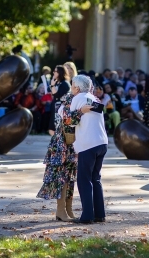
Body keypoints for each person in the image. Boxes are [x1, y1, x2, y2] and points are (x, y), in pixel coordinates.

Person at [37, 67, 78, 221]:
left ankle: (67, 209)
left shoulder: (70, 91)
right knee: (63, 175)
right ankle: (61, 211)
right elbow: (67, 117)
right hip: (62, 140)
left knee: (70, 176)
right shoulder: (70, 98)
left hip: (69, 141)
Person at [67, 75, 108, 224]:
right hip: (101, 142)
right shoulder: (94, 98)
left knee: (84, 180)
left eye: (72, 86)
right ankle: (99, 214)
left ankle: (87, 216)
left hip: (88, 144)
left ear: (77, 88)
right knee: (95, 179)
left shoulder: (77, 98)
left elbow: (70, 122)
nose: (71, 89)